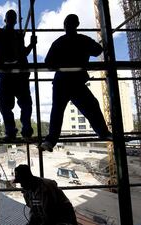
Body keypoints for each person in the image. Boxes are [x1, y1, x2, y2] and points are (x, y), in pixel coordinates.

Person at [39, 14, 111, 152]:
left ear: (65, 26)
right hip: (77, 82)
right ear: (77, 24)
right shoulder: (84, 40)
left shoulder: (59, 42)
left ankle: (50, 141)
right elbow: (98, 50)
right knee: (91, 107)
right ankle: (103, 133)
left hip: (62, 82)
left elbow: (48, 63)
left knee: (57, 112)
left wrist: (62, 63)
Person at [0, 4, 36, 141]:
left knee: (9, 105)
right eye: (11, 18)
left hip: (10, 76)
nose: (11, 20)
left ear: (10, 21)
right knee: (19, 105)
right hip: (16, 76)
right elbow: (23, 54)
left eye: (12, 18)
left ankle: (14, 132)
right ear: (10, 20)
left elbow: (22, 53)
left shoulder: (2, 34)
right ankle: (22, 131)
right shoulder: (4, 34)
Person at [13, 164, 78, 225]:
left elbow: (50, 213)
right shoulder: (28, 192)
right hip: (48, 217)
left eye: (22, 182)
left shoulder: (46, 187)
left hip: (63, 217)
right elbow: (34, 211)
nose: (21, 185)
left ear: (28, 179)